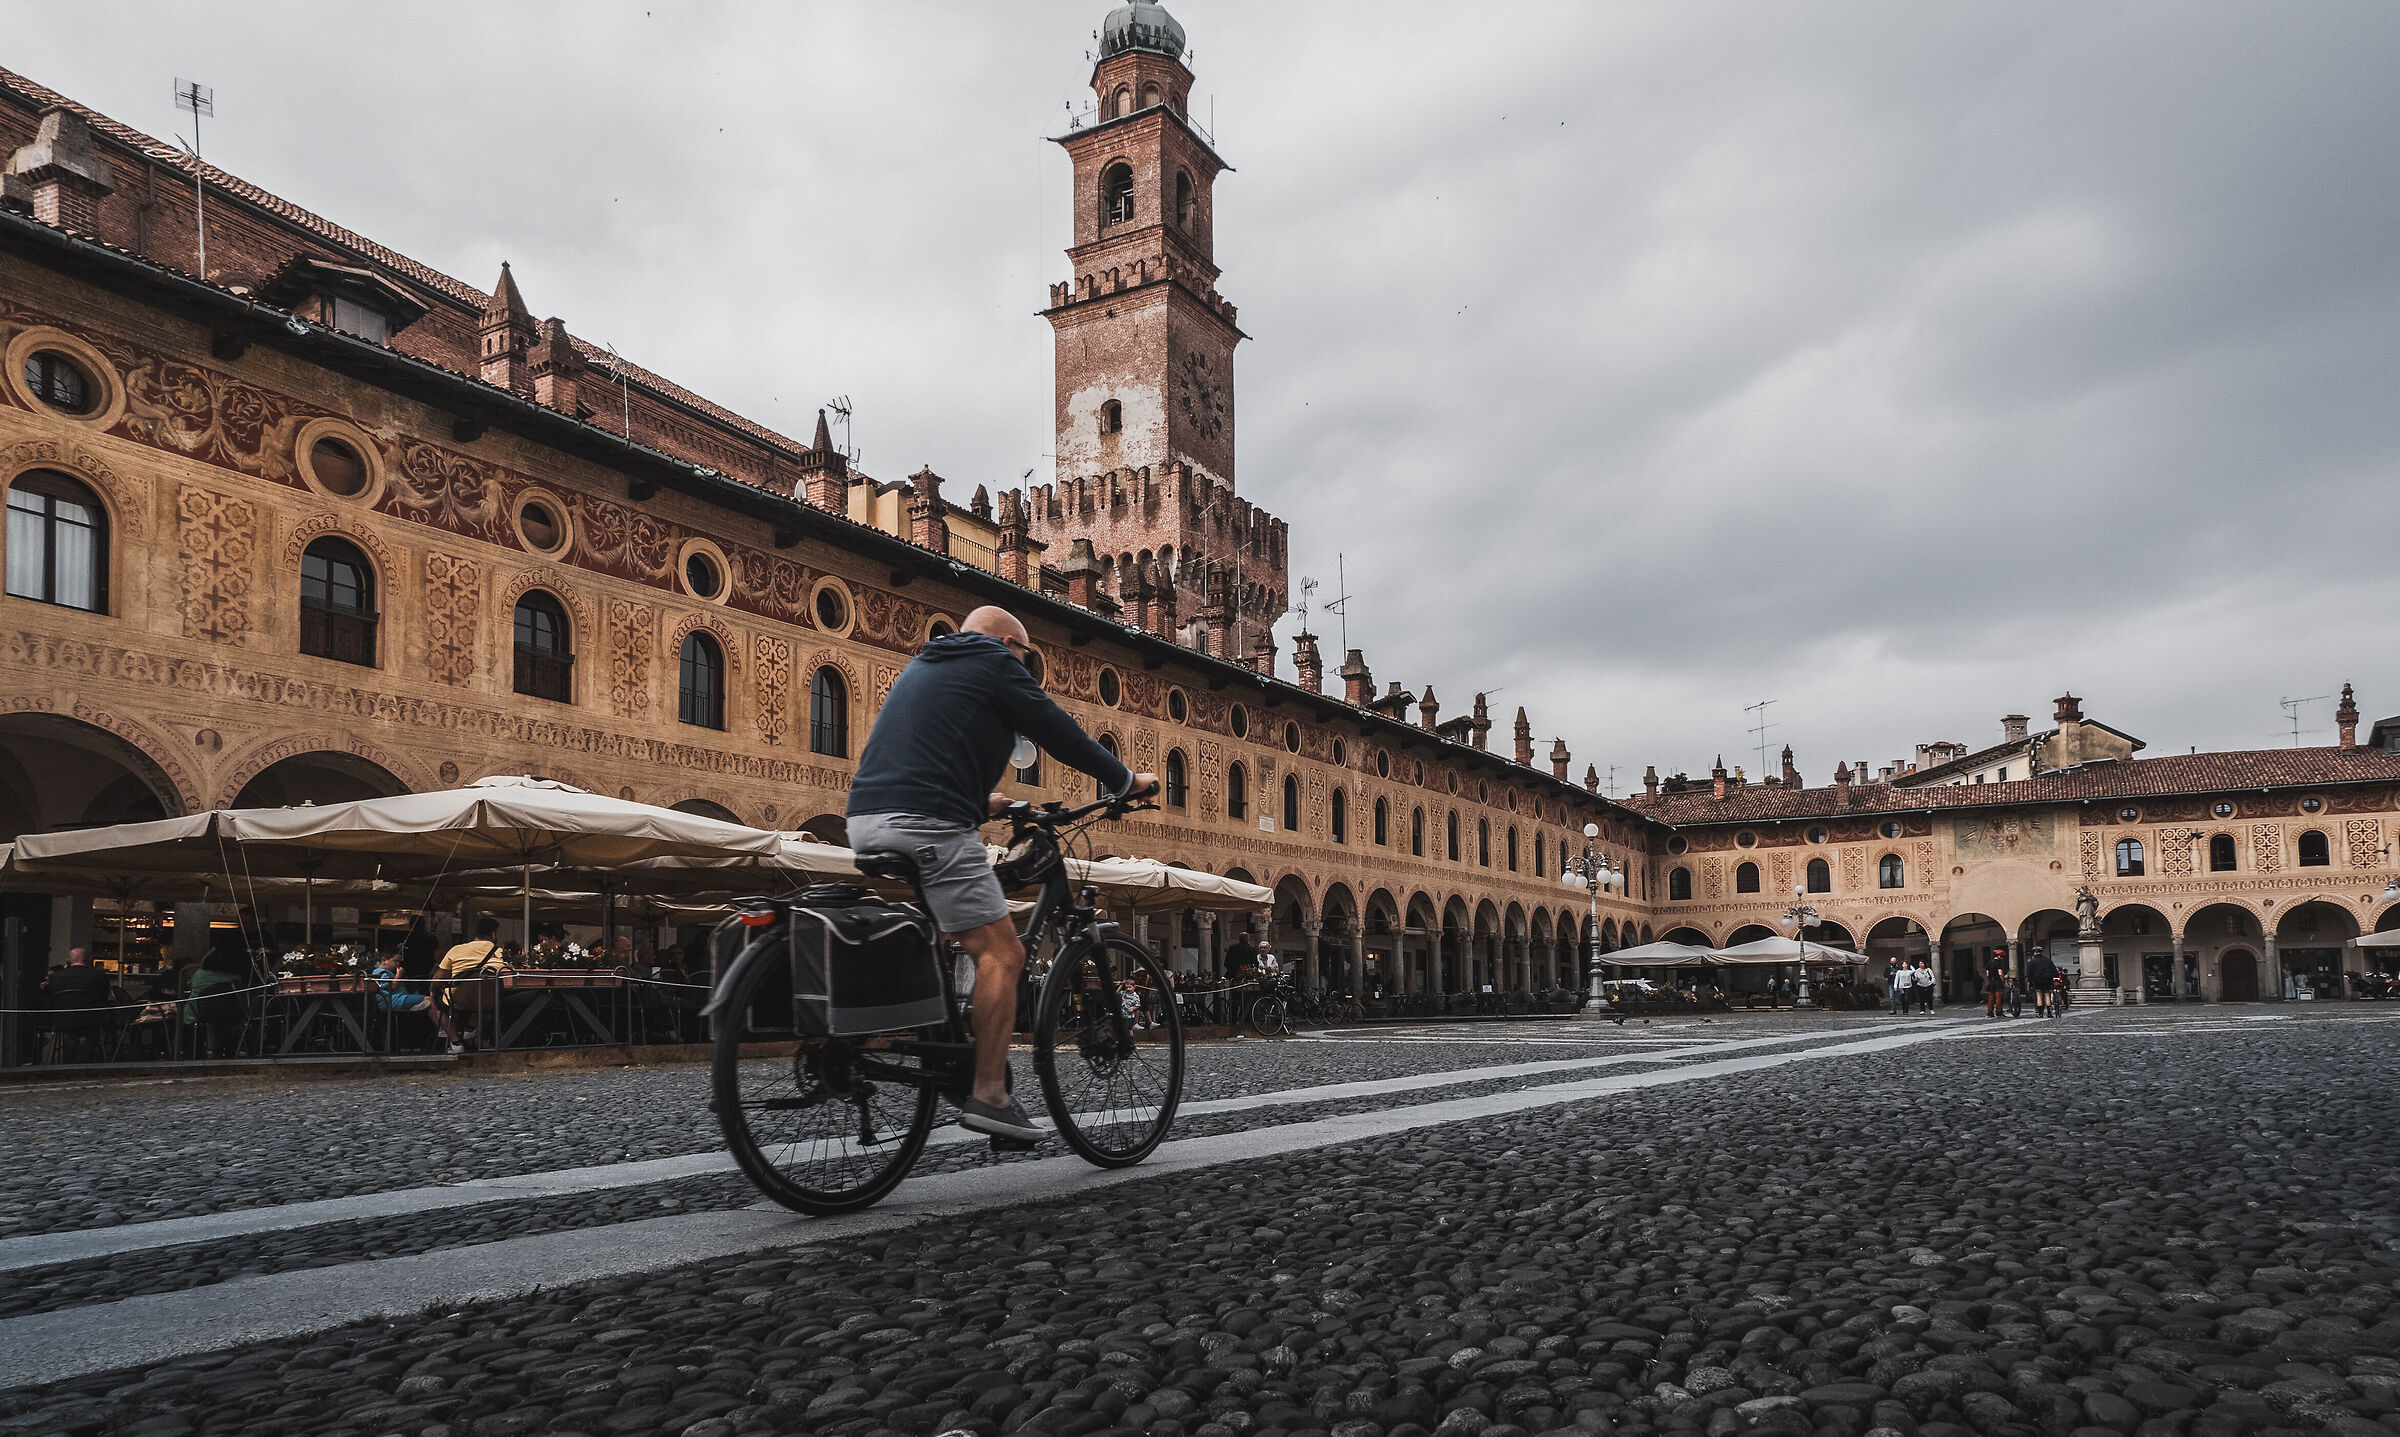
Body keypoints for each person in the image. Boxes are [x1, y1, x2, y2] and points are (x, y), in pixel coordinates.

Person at [845, 604, 1156, 1142]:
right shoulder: (993, 660)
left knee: (952, 935)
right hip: (928, 824)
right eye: (1027, 655)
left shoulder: (926, 664)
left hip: (867, 819)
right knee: (1004, 952)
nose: (1025, 666)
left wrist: (976, 800)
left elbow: (922, 753)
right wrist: (1123, 779)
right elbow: (1059, 732)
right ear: (1010, 641)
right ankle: (989, 1094)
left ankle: (948, 1046)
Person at [434, 917, 511, 1049]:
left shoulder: (456, 950)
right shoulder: (501, 953)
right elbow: (509, 975)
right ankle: (471, 1027)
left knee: (435, 1002)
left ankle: (455, 1042)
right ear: (493, 934)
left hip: (458, 999)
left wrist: (431, 990)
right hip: (488, 1001)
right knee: (480, 990)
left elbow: (438, 978)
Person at [371, 952, 462, 1053]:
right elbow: (392, 986)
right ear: (384, 960)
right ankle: (442, 1028)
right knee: (430, 999)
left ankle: (442, 1028)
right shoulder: (381, 972)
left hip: (400, 999)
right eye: (395, 961)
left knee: (430, 1003)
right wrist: (399, 975)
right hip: (393, 1001)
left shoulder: (387, 972)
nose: (398, 965)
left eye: (399, 962)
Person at [2025, 946, 2059, 1018]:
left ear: (2035, 953)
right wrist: (2056, 978)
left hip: (2037, 980)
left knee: (2039, 995)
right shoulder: (2048, 960)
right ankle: (2049, 1013)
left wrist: (2029, 982)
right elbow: (2054, 970)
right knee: (2047, 995)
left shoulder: (2032, 962)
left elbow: (2029, 974)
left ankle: (2040, 1013)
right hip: (2048, 980)